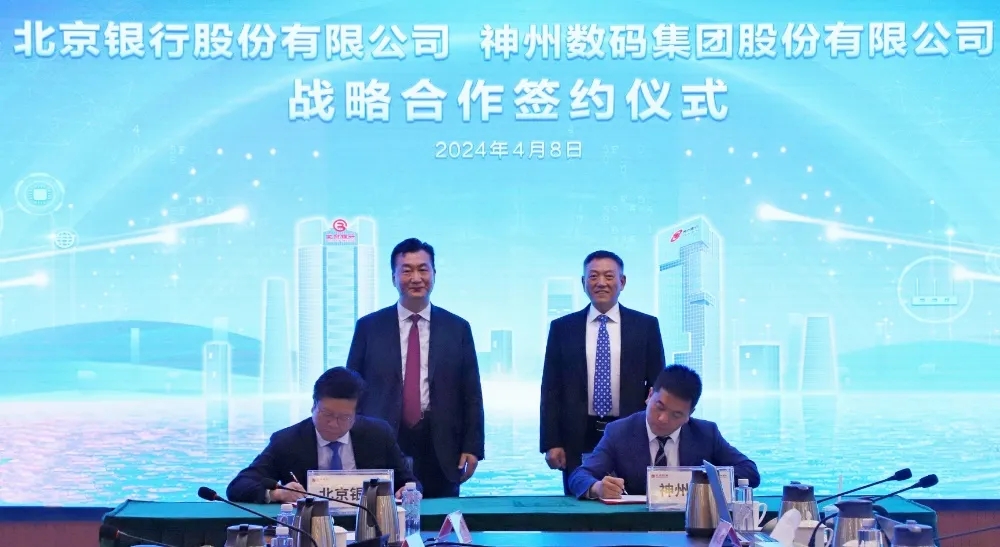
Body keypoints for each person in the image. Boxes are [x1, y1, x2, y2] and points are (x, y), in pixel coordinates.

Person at [347, 238, 485, 498]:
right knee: (382, 514)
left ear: (434, 274)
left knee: (441, 515)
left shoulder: (457, 328)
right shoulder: (369, 327)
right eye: (406, 270)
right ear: (393, 277)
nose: (416, 278)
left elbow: (471, 392)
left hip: (441, 443)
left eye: (423, 269)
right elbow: (352, 389)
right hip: (382, 439)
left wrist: (473, 446)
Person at [540, 250, 667, 494]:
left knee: (631, 502)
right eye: (593, 276)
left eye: (609, 276)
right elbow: (551, 389)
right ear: (583, 282)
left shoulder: (646, 326)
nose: (601, 282)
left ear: (622, 281)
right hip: (577, 435)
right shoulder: (562, 328)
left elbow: (658, 386)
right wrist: (551, 442)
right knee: (580, 500)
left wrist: (660, 433)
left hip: (631, 432)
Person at [226, 367, 417, 504]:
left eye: (344, 417)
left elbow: (410, 482)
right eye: (326, 414)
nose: (333, 423)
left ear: (356, 415)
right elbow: (239, 485)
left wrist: (407, 492)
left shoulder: (378, 435)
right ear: (313, 406)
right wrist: (277, 494)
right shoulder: (287, 441)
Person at [568, 364, 761, 499]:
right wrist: (598, 488)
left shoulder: (706, 433)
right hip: (638, 529)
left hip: (692, 525)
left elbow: (750, 472)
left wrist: (701, 480)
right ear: (650, 395)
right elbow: (579, 476)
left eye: (676, 414)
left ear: (689, 414)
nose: (663, 419)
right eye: (659, 407)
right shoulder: (619, 431)